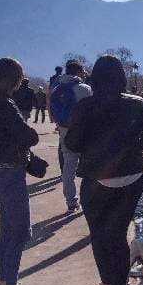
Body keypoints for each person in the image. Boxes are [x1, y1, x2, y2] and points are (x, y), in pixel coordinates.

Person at [64, 55, 143, 285]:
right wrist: (132, 149)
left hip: (97, 180)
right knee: (118, 234)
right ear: (121, 77)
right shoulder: (137, 104)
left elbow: (72, 144)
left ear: (94, 77)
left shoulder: (85, 107)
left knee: (98, 233)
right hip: (131, 177)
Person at [0, 58, 40, 285]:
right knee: (19, 231)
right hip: (9, 171)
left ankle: (4, 284)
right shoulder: (5, 104)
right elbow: (28, 136)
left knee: (7, 230)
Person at [50, 61, 92, 212]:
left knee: (68, 168)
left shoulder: (56, 89)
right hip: (85, 134)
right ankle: (90, 199)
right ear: (79, 72)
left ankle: (71, 202)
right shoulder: (84, 89)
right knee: (91, 167)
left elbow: (53, 111)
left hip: (65, 132)